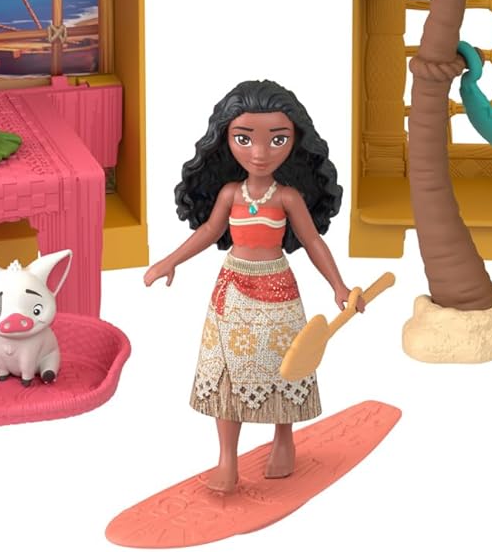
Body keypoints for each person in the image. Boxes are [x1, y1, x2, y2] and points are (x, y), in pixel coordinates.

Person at [143, 79, 361, 493]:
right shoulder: (231, 193)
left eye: (277, 140)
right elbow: (210, 231)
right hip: (233, 293)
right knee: (226, 371)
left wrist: (339, 286)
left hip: (278, 291)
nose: (260, 153)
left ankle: (284, 440)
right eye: (244, 139)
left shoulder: (288, 197)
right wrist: (170, 261)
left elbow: (312, 241)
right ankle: (227, 459)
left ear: (295, 141)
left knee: (286, 365)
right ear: (226, 140)